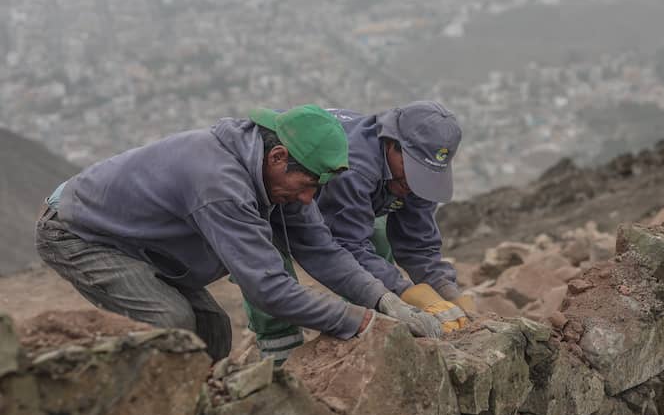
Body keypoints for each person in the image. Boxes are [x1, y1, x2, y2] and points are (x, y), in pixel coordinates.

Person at [35, 105, 443, 363]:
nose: (308, 200)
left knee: (213, 331)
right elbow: (269, 289)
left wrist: (387, 301)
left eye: (316, 189)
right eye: (306, 186)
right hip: (81, 233)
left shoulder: (278, 174)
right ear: (279, 156)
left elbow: (323, 251)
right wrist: (362, 322)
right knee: (170, 323)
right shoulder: (220, 184)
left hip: (144, 244)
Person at [317, 100, 475, 330]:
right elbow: (346, 243)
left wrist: (445, 290)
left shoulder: (420, 172)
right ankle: (279, 351)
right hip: (281, 196)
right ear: (391, 144)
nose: (412, 184)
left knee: (378, 236)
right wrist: (402, 291)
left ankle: (371, 324)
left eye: (423, 174)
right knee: (271, 266)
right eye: (410, 172)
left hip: (360, 197)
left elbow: (417, 244)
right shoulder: (354, 168)